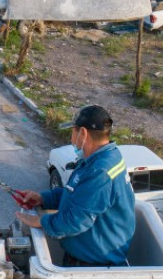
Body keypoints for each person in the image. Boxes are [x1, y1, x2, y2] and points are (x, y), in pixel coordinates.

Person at [14, 105, 135, 266]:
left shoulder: (100, 171)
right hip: (85, 256)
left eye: (73, 131)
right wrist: (43, 199)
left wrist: (41, 221)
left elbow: (75, 221)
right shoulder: (101, 157)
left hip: (94, 267)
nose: (71, 139)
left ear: (83, 133)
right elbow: (77, 194)